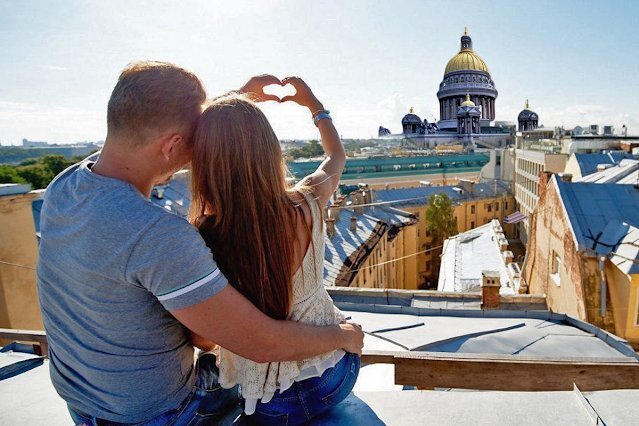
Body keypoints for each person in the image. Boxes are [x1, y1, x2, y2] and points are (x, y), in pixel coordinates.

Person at [36, 61, 364, 425]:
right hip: (159, 413)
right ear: (173, 144)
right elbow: (258, 342)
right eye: (196, 140)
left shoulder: (64, 186)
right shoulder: (160, 236)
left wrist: (235, 100)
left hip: (83, 404)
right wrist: (342, 334)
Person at [189, 77, 358, 425]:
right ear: (271, 150)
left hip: (265, 403)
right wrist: (315, 106)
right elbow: (336, 155)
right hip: (333, 377)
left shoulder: (203, 236)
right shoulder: (307, 201)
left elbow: (204, 341)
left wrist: (235, 99)